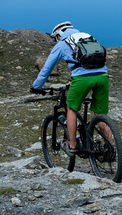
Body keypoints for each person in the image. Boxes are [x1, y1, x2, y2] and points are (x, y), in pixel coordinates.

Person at [31, 21, 109, 156]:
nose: (56, 41)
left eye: (56, 38)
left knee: (71, 109)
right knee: (100, 115)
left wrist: (36, 87)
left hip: (82, 79)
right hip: (103, 76)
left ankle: (72, 146)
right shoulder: (88, 37)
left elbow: (47, 69)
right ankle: (110, 150)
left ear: (59, 35)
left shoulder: (62, 44)